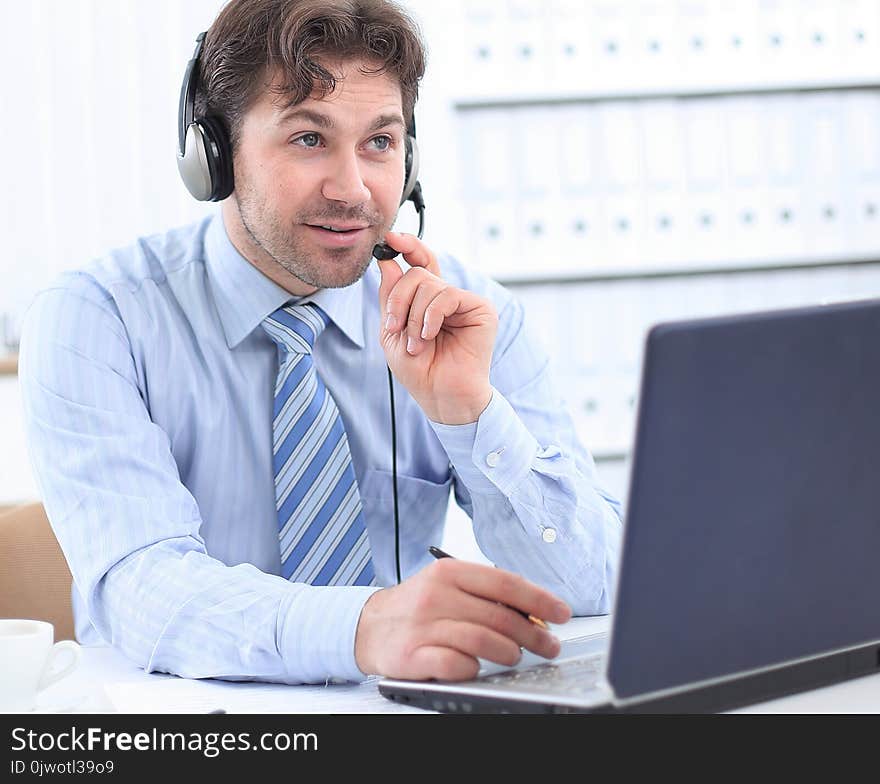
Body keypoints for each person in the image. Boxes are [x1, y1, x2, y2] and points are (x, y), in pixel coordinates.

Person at [19, 0, 623, 685]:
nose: (353, 190)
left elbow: (591, 586)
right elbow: (141, 588)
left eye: (380, 143)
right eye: (309, 138)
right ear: (212, 153)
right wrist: (360, 628)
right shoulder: (95, 320)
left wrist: (473, 415)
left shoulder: (468, 316)